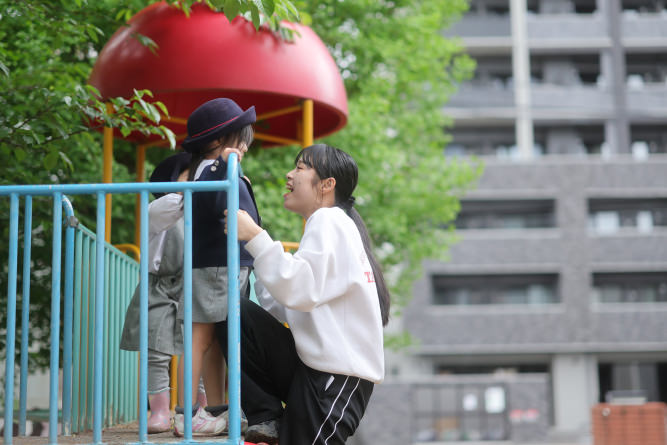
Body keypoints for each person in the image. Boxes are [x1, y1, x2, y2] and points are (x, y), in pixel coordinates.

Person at [218, 144, 391, 445]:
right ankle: (266, 416)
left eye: (300, 168)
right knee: (233, 312)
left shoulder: (330, 220)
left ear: (327, 184)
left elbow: (300, 290)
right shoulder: (329, 225)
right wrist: (256, 250)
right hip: (314, 371)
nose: (289, 174)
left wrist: (256, 237)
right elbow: (289, 302)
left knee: (232, 311)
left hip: (334, 380)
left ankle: (266, 414)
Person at [173, 97, 260, 437]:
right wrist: (226, 167)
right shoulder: (210, 170)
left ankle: (215, 409)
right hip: (216, 266)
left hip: (221, 265)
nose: (244, 148)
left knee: (215, 339)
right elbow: (218, 204)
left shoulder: (213, 169)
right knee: (201, 337)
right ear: (218, 141)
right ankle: (186, 414)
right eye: (241, 140)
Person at [120, 151, 209, 434]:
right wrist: (207, 189)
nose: (198, 182)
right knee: (155, 349)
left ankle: (202, 408)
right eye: (191, 177)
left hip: (191, 285)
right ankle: (159, 411)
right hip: (158, 286)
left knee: (197, 348)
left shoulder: (203, 214)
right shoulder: (160, 209)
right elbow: (176, 203)